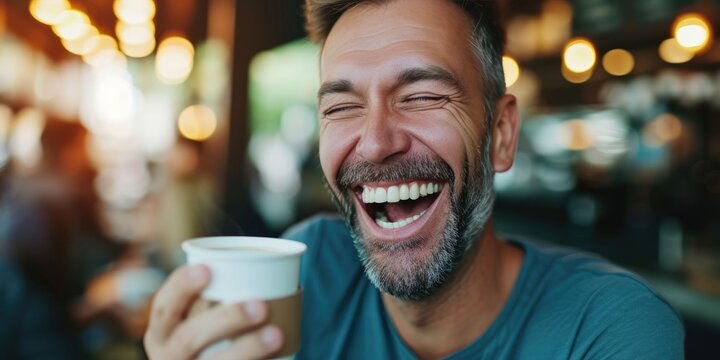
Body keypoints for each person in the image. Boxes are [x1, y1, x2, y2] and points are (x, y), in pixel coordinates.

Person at [144, 0, 684, 359]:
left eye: (422, 96)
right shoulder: (306, 274)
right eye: (342, 107)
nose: (376, 141)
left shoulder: (610, 330)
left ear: (499, 133)